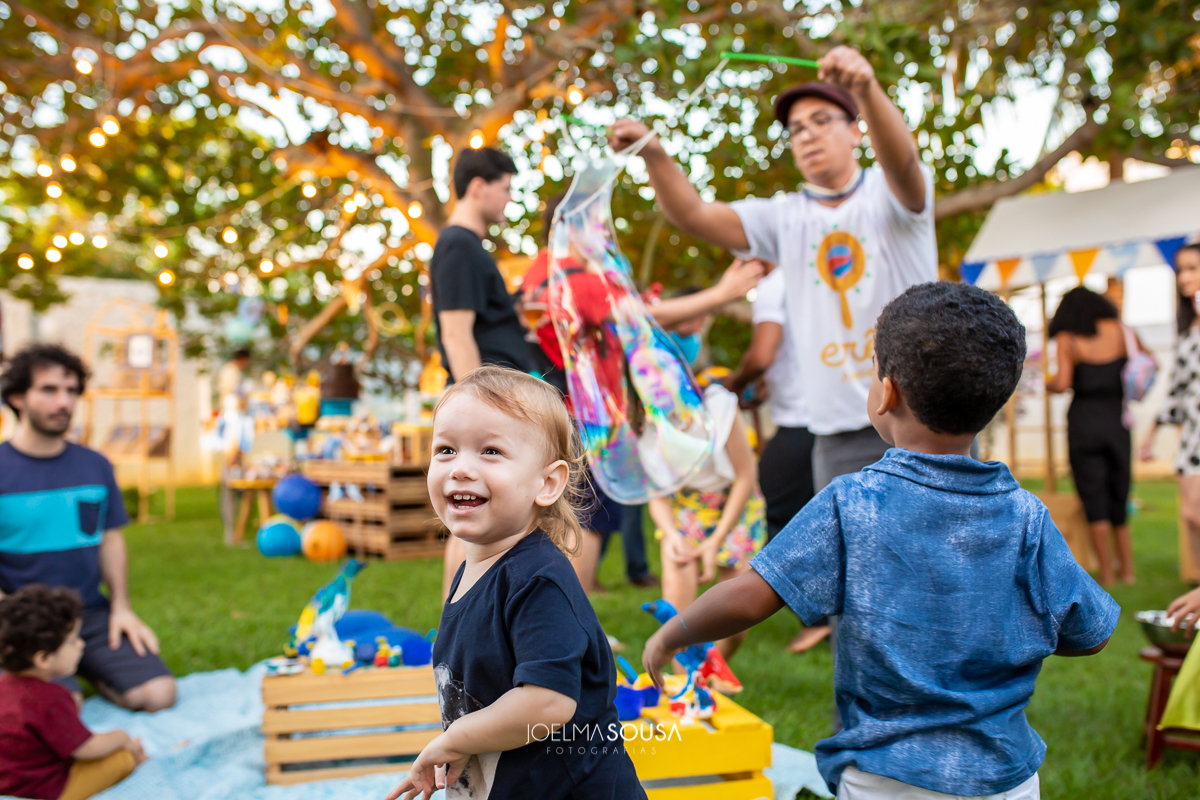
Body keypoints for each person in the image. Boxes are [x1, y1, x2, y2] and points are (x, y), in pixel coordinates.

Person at [641, 282, 1119, 800]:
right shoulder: (1027, 516)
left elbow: (751, 595)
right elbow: (1091, 632)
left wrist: (673, 635)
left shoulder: (854, 501)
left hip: (883, 777)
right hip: (1005, 779)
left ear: (886, 392)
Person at [609, 46, 936, 494]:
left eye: (822, 121)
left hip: (923, 425)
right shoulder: (785, 216)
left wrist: (865, 86)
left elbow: (903, 163)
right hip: (834, 434)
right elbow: (694, 215)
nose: (806, 135)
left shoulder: (891, 193)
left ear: (857, 131)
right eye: (796, 128)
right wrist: (656, 157)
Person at [384, 366, 644, 800]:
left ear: (547, 483)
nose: (461, 468)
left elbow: (548, 704)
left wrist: (456, 739)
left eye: (490, 451)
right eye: (446, 450)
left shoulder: (538, 581)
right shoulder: (475, 568)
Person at [518, 193, 765, 593]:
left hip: (572, 405)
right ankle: (571, 632)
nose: (603, 233)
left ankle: (565, 627)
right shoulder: (573, 275)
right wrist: (721, 294)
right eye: (596, 222)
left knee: (576, 518)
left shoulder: (544, 273)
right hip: (587, 411)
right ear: (572, 226)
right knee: (587, 522)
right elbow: (634, 318)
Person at [0, 344, 176, 712]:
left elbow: (110, 538)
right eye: (49, 390)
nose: (64, 402)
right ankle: (68, 681)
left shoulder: (95, 465)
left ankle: (87, 668)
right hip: (19, 619)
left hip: (88, 615)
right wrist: (13, 627)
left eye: (71, 391)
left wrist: (122, 608)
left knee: (159, 694)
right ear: (17, 397)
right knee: (59, 707)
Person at [433, 147, 539, 598]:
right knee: (470, 522)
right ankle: (456, 631)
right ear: (479, 186)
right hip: (488, 407)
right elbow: (457, 334)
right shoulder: (458, 247)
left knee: (487, 522)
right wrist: (478, 417)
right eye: (506, 189)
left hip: (503, 404)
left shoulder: (469, 249)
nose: (509, 201)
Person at [649, 308, 765, 660]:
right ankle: (685, 681)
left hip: (735, 503)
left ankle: (714, 664)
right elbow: (657, 493)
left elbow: (746, 476)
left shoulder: (718, 406)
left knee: (737, 614)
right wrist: (671, 534)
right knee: (677, 610)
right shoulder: (646, 423)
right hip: (687, 506)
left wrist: (715, 541)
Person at [724, 263, 823, 653]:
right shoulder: (815, 277)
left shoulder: (774, 284)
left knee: (772, 514)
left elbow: (762, 355)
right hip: (837, 418)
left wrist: (734, 384)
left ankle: (819, 616)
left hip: (802, 419)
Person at [0, 585, 147, 800]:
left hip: (8, 780)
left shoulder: (4, 685)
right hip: (44, 788)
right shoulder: (51, 698)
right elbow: (85, 749)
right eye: (72, 641)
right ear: (44, 659)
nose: (81, 645)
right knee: (122, 758)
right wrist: (121, 736)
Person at [1046, 286, 1149, 586]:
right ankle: (1128, 571)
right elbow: (1145, 362)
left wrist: (1048, 383)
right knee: (1120, 492)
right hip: (1118, 421)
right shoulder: (1121, 330)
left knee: (1094, 497)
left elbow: (1063, 382)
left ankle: (1106, 573)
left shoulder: (1069, 338)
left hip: (1083, 423)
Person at [1141, 244, 1200, 578]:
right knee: (1192, 513)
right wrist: (1151, 433)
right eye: (1181, 270)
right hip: (1193, 437)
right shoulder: (1188, 328)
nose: (1185, 277)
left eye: (1193, 268)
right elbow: (1176, 391)